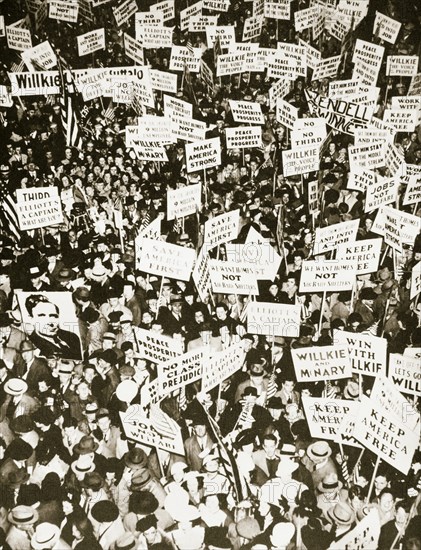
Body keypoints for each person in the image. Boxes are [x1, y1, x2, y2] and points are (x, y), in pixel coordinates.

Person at [25, 294, 82, 360]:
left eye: (53, 316)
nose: (50, 322)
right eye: (42, 316)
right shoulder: (31, 344)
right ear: (31, 319)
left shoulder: (72, 337)